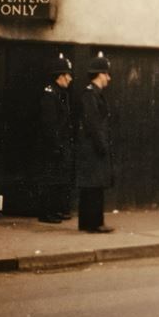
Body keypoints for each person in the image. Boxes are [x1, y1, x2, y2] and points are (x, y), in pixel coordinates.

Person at [75, 52, 114, 233]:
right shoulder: (90, 95)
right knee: (93, 185)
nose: (109, 78)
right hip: (93, 148)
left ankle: (89, 222)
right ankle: (94, 223)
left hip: (92, 147)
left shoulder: (94, 94)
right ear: (99, 74)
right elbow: (93, 124)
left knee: (94, 185)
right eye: (106, 74)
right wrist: (102, 145)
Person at [36, 53, 74, 224]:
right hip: (51, 145)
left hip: (60, 144)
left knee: (58, 178)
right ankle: (46, 213)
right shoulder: (50, 94)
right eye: (68, 75)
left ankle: (54, 210)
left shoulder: (61, 93)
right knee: (49, 178)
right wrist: (56, 145)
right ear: (60, 76)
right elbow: (49, 124)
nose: (70, 78)